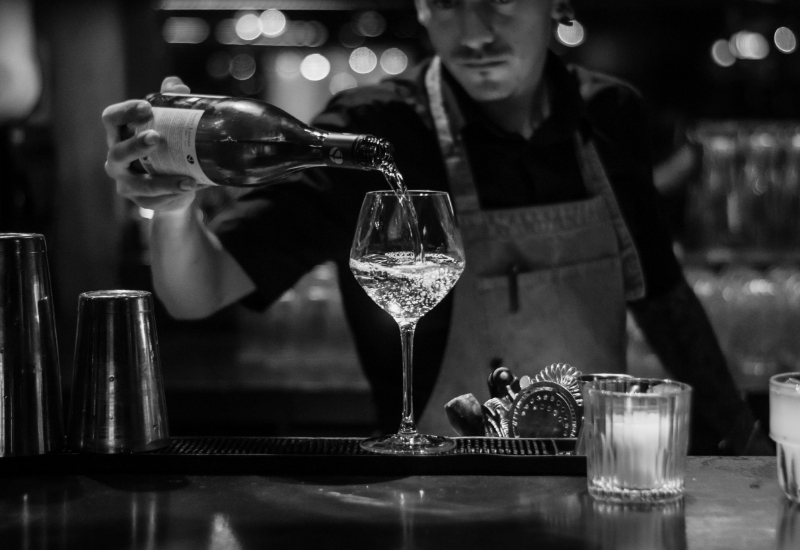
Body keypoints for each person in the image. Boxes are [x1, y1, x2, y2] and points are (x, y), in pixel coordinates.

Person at [103, 0, 770, 454]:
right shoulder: (374, 129)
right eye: (446, 2)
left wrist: (743, 445)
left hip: (594, 479)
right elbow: (196, 292)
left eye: (500, 0)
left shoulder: (610, 116)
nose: (474, 33)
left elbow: (664, 297)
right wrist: (171, 207)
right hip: (439, 489)